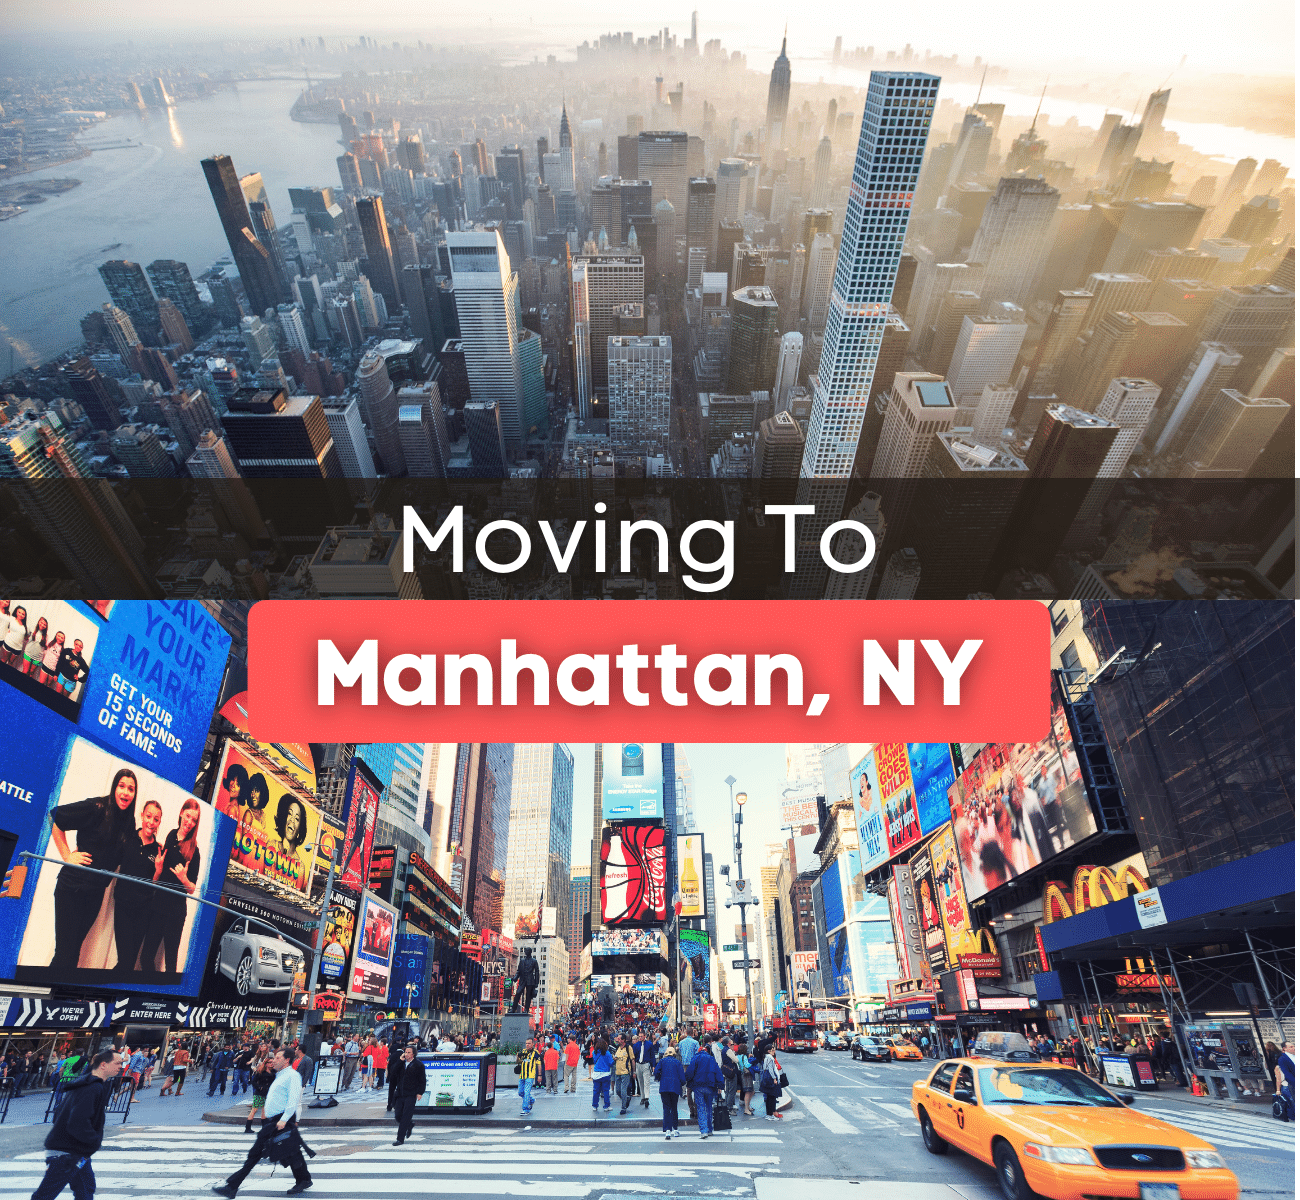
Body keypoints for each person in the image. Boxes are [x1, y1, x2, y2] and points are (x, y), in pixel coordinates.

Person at [48, 769, 138, 972]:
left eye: (130, 789)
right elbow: (55, 817)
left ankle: (58, 998)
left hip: (95, 893)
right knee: (65, 952)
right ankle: (41, 999)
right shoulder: (97, 807)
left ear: (134, 794)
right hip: (72, 888)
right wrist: (67, 855)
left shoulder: (129, 822)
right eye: (121, 786)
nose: (125, 793)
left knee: (73, 952)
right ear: (115, 787)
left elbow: (125, 857)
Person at [212, 1047, 312, 1197]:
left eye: (278, 1058)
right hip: (274, 1120)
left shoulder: (292, 1076)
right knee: (291, 1151)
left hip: (280, 1120)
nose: (274, 1060)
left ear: (286, 1060)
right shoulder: (280, 1075)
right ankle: (304, 1179)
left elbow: (293, 1100)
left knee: (256, 1153)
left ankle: (232, 1186)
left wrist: (284, 1120)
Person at [29, 1048, 121, 1200]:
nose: (120, 1067)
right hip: (68, 1152)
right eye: (117, 1063)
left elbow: (59, 1113)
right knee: (46, 1195)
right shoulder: (92, 1087)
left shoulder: (87, 1084)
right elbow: (78, 1121)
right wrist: (94, 1141)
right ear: (103, 1065)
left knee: (86, 1188)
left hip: (74, 1150)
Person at [139, 799, 202, 976]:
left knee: (171, 966)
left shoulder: (194, 851)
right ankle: (149, 994)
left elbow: (191, 889)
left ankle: (165, 1001)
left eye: (194, 820)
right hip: (158, 906)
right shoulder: (170, 835)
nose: (189, 822)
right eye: (188, 816)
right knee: (146, 957)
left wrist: (184, 879)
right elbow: (162, 871)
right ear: (181, 812)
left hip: (176, 912)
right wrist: (158, 869)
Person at [685, 1035, 723, 1139]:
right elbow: (718, 1072)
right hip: (710, 1086)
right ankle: (710, 1129)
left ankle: (704, 1131)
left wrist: (688, 1082)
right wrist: (720, 1086)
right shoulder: (711, 1058)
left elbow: (689, 1073)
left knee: (701, 1108)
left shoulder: (695, 1058)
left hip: (698, 1087)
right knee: (709, 1107)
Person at [391, 1046, 425, 1146]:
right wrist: (400, 1061)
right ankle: (409, 1125)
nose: (406, 1054)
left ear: (413, 1054)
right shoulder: (401, 1063)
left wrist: (420, 1092)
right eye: (405, 1052)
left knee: (406, 1116)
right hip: (400, 1093)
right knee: (398, 1115)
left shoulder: (418, 1064)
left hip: (411, 1093)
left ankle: (400, 1139)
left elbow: (422, 1080)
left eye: (408, 1052)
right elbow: (393, 1073)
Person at [654, 1044, 685, 1141]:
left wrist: (659, 1078)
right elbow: (682, 1077)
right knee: (674, 1108)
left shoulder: (662, 1061)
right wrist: (682, 1083)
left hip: (664, 1087)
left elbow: (656, 1072)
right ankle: (675, 1129)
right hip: (675, 1087)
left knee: (666, 1108)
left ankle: (667, 1130)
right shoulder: (677, 1062)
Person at [243, 1051, 273, 1134]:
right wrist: (259, 1087)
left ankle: (264, 1128)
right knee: (254, 1110)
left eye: (272, 1062)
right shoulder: (260, 1072)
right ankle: (247, 1128)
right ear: (266, 1063)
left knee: (264, 1111)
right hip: (259, 1093)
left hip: (267, 1094)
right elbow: (253, 1082)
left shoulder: (273, 1072)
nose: (271, 1064)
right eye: (269, 1063)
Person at [515, 1038, 542, 1117]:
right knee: (520, 1092)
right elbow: (518, 1062)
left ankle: (526, 1109)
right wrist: (517, 1056)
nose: (527, 1045)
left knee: (526, 1092)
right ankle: (532, 1100)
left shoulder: (535, 1053)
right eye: (526, 1043)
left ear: (532, 1044)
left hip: (530, 1075)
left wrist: (539, 1075)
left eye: (529, 1043)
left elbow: (539, 1064)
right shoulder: (523, 1051)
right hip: (522, 1075)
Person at [632, 1030, 657, 1108]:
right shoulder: (636, 1045)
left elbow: (652, 1056)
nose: (640, 1038)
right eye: (639, 1036)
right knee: (640, 1081)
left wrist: (653, 1066)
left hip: (646, 1064)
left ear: (645, 1036)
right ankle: (642, 1097)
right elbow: (634, 1056)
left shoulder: (649, 1044)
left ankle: (646, 1098)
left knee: (646, 1082)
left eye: (641, 1036)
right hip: (638, 1064)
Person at [759, 1045, 784, 1121]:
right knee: (772, 1097)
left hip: (767, 1079)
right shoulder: (770, 1058)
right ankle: (770, 1114)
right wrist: (774, 1078)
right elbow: (770, 1069)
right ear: (769, 1051)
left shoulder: (766, 1057)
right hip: (770, 1079)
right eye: (773, 1050)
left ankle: (769, 1114)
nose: (774, 1051)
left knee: (769, 1097)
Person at [613, 1035, 634, 1115]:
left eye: (619, 1038)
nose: (617, 1039)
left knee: (623, 1090)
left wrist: (633, 1072)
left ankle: (623, 1107)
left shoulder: (628, 1048)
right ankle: (626, 1099)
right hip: (617, 1072)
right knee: (618, 1090)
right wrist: (614, 1058)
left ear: (623, 1040)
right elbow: (615, 1056)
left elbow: (632, 1060)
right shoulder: (618, 1048)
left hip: (625, 1072)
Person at [591, 1039, 613, 1113]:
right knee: (606, 1091)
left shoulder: (594, 1052)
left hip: (596, 1074)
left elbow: (594, 1061)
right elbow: (611, 1063)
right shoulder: (607, 1053)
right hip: (605, 1074)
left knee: (596, 1091)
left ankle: (594, 1105)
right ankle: (606, 1106)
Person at [1274, 1042, 1294, 1121]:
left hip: (1286, 1086)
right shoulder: (1279, 1067)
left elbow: (1278, 1080)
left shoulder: (1278, 1067)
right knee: (1292, 1102)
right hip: (1287, 1086)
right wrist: (1278, 1090)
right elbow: (1279, 1079)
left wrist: (1278, 1090)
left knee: (1291, 1103)